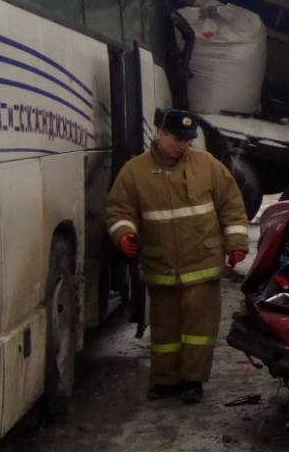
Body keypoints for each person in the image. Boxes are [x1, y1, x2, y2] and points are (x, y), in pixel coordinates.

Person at [105, 109, 249, 404]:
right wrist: (124, 235)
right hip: (161, 266)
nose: (182, 145)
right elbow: (119, 211)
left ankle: (192, 382)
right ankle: (165, 381)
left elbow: (231, 205)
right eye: (176, 138)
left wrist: (236, 241)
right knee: (165, 330)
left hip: (202, 263)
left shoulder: (207, 165)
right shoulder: (135, 172)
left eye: (187, 140)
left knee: (199, 329)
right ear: (159, 133)